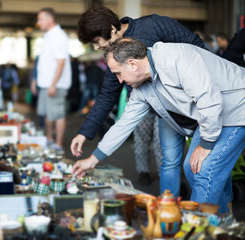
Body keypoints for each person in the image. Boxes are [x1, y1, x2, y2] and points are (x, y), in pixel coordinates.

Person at [72, 38, 245, 213]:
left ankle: (195, 228)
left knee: (203, 170)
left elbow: (209, 100)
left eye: (118, 73)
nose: (119, 80)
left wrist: (206, 144)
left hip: (237, 107)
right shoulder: (142, 89)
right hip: (213, 115)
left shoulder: (177, 59)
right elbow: (123, 124)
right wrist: (93, 159)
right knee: (192, 169)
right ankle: (221, 222)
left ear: (132, 64)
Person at [71, 6, 205, 192]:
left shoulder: (155, 25)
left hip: (198, 104)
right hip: (162, 110)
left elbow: (196, 47)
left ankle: (217, 212)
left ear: (112, 29)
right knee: (169, 163)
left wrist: (203, 89)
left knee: (200, 167)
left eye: (96, 41)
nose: (96, 47)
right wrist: (84, 132)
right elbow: (108, 94)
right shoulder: (113, 57)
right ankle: (167, 210)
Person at [36, 8, 71, 149]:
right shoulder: (49, 35)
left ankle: (58, 144)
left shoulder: (58, 36)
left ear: (50, 19)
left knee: (57, 114)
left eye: (40, 19)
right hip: (46, 83)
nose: (38, 23)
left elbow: (61, 62)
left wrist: (53, 84)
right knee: (47, 113)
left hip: (56, 84)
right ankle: (50, 139)